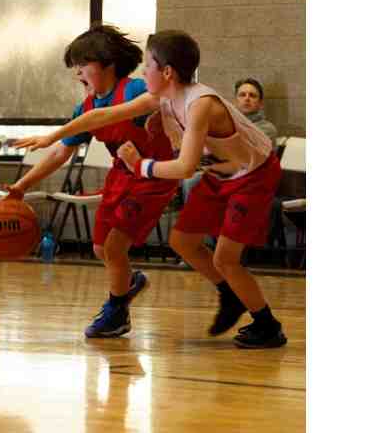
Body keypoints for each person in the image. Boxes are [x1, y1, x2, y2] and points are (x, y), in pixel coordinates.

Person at [17, 30, 286, 349]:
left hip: (254, 174)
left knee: (225, 259)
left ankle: (267, 326)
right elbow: (100, 115)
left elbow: (184, 168)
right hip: (220, 172)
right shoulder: (161, 99)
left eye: (148, 65)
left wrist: (140, 165)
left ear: (167, 72)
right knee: (182, 241)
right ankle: (230, 294)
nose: (142, 72)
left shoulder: (200, 105)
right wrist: (51, 137)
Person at [6, 24, 178, 339]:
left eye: (83, 64)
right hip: (121, 175)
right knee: (101, 248)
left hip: (153, 174)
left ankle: (117, 313)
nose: (78, 73)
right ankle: (128, 282)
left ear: (107, 63)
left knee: (114, 246)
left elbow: (165, 109)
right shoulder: (85, 107)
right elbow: (60, 153)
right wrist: (21, 186)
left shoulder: (135, 90)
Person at [179, 76, 279, 260]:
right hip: (221, 174)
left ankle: (223, 250)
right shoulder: (226, 123)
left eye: (252, 96)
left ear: (260, 103)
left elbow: (244, 155)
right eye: (242, 95)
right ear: (235, 100)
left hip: (249, 179)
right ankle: (203, 245)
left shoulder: (267, 128)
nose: (247, 98)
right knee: (191, 181)